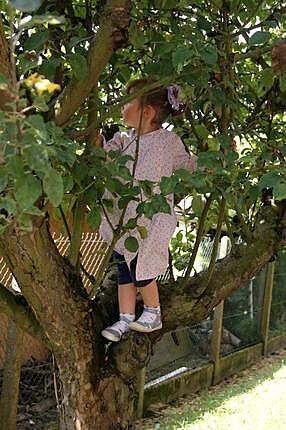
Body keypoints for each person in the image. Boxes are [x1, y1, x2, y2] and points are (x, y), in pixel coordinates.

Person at [100, 78, 197, 342]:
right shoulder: (124, 141)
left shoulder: (167, 142)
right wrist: (95, 141)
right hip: (126, 219)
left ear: (147, 112)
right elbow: (103, 155)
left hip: (150, 219)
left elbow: (188, 164)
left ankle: (153, 312)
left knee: (142, 268)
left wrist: (214, 162)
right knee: (124, 269)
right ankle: (125, 319)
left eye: (127, 102)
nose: (122, 106)